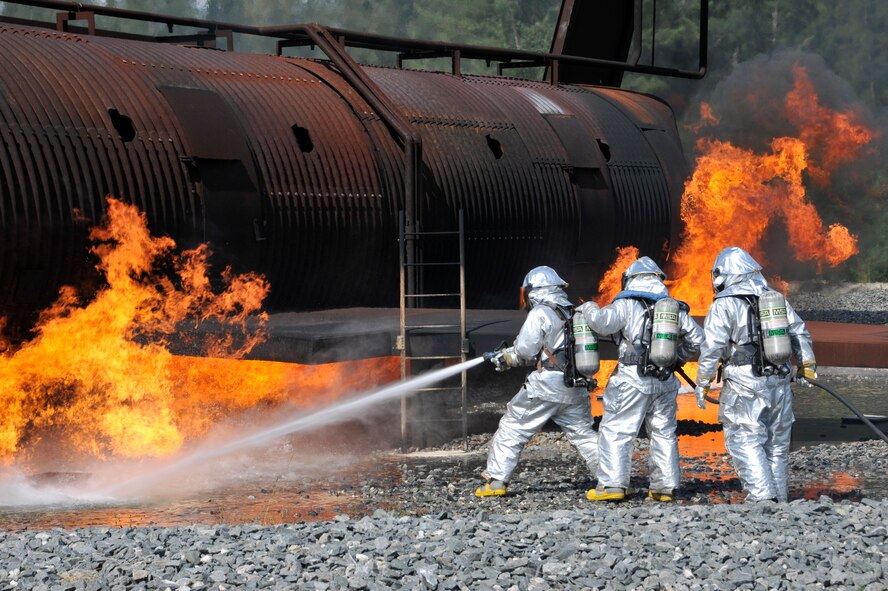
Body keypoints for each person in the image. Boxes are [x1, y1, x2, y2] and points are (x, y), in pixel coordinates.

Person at [694, 246, 816, 502]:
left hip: (745, 381)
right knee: (777, 444)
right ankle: (778, 498)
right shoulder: (775, 298)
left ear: (723, 274)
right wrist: (807, 366)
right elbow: (799, 332)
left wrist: (703, 381)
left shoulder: (724, 304)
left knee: (744, 439)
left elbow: (712, 347)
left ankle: (762, 499)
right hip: (780, 378)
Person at [578, 256, 703, 502]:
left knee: (617, 430)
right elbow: (698, 340)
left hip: (632, 379)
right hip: (665, 379)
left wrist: (589, 307)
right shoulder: (672, 306)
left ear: (630, 280)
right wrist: (677, 358)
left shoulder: (627, 304)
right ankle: (663, 488)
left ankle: (613, 485)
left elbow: (603, 324)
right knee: (664, 432)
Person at [475, 266, 599, 497]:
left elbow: (525, 349)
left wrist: (509, 358)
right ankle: (612, 479)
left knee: (513, 427)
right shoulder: (573, 311)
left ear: (535, 291)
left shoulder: (541, 312)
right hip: (576, 384)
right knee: (584, 435)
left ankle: (496, 482)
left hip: (546, 386)